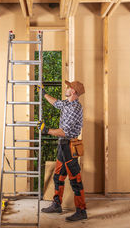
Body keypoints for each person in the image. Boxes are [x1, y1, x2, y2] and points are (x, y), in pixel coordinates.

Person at [37, 80, 87, 222]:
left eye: (68, 87)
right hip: (63, 145)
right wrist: (44, 93)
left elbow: (64, 132)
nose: (66, 88)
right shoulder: (67, 104)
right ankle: (57, 204)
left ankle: (81, 211)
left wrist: (46, 130)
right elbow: (56, 103)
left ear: (73, 92)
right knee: (58, 175)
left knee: (75, 179)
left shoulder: (75, 108)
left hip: (69, 146)